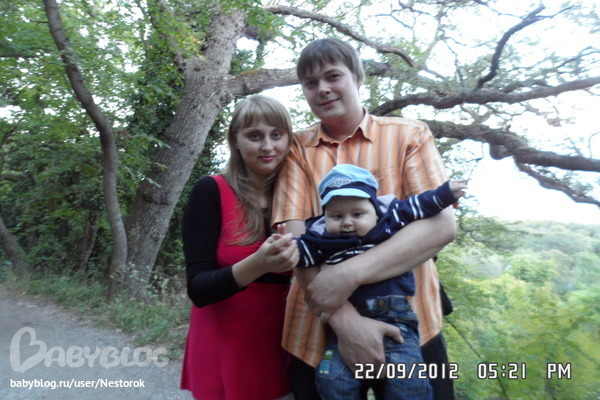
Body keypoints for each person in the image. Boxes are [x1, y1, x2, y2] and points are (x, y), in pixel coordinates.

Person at [272, 38, 459, 400]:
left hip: (413, 326)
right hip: (317, 332)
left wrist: (347, 274)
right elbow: (295, 240)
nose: (322, 89)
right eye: (310, 83)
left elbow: (440, 226)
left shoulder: (410, 135)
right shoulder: (296, 149)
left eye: (333, 76)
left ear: (358, 78)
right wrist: (347, 324)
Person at [294, 164, 466, 400]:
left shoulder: (389, 220)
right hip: (346, 324)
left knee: (408, 383)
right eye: (337, 216)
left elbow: (420, 205)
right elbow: (299, 257)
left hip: (397, 320)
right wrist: (283, 248)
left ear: (375, 211)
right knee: (332, 379)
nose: (347, 222)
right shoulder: (320, 239)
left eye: (357, 214)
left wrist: (445, 193)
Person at [180, 95, 298, 400]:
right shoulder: (211, 190)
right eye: (254, 136)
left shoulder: (297, 198)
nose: (267, 146)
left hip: (282, 348)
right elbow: (198, 289)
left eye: (277, 135)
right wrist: (258, 264)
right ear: (235, 140)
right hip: (224, 348)